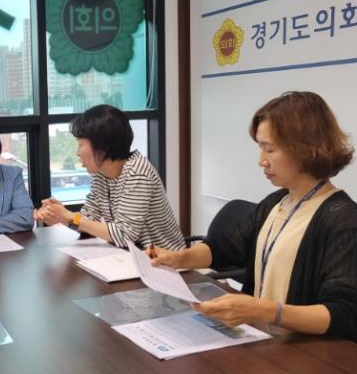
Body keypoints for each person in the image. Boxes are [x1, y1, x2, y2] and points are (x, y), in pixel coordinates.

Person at [148, 91, 357, 340]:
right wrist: (180, 258)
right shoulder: (277, 202)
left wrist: (264, 311)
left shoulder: (342, 219)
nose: (262, 161)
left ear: (306, 149)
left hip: (304, 352)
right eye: (260, 148)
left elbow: (345, 313)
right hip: (264, 341)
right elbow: (227, 247)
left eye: (270, 150)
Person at [35, 105, 185, 250]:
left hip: (164, 260)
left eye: (81, 145)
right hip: (129, 255)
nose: (77, 153)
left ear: (102, 147)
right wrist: (60, 215)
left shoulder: (137, 173)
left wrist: (70, 217)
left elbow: (125, 235)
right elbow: (88, 219)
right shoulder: (101, 174)